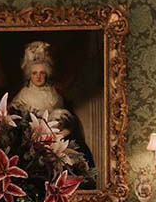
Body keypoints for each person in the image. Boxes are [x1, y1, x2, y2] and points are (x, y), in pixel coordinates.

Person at [11, 41, 95, 183]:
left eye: (42, 73)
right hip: (34, 140)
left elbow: (67, 122)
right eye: (35, 73)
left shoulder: (55, 94)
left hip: (57, 137)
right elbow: (19, 123)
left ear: (47, 74)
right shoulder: (23, 96)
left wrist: (62, 132)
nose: (38, 77)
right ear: (29, 74)